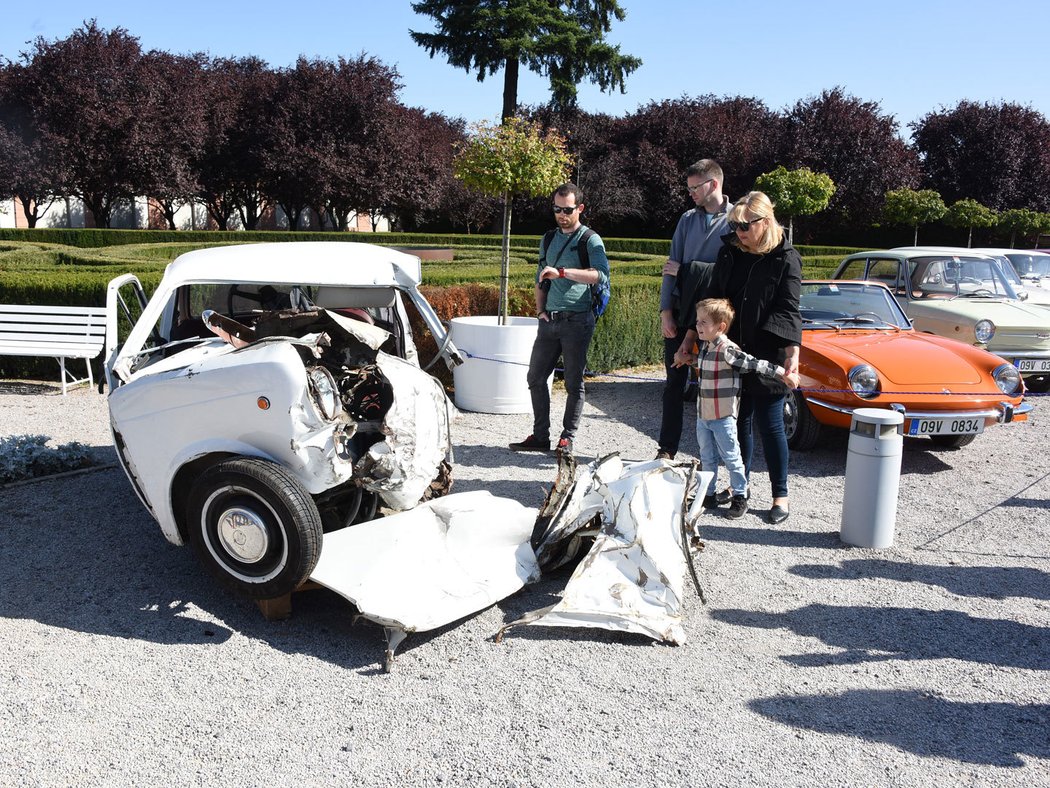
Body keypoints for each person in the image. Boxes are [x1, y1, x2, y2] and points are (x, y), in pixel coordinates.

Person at [705, 191, 802, 524]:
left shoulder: (786, 257)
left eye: (746, 225)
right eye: (735, 225)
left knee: (771, 425)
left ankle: (780, 496)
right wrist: (699, 336)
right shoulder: (729, 251)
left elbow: (789, 311)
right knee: (738, 423)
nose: (740, 232)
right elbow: (715, 297)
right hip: (732, 349)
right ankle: (739, 489)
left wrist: (793, 357)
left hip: (767, 349)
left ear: (765, 221)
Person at [510, 183, 610, 455]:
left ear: (580, 208)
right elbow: (541, 278)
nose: (561, 215)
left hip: (578, 320)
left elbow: (599, 274)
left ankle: (568, 438)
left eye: (567, 210)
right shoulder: (548, 238)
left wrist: (563, 273)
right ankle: (541, 436)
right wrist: (540, 311)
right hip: (549, 321)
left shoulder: (590, 239)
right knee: (535, 376)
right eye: (557, 209)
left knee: (573, 383)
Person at [677, 298, 797, 518]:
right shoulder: (705, 347)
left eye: (704, 322)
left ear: (720, 326)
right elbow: (705, 366)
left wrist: (781, 373)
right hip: (703, 415)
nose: (698, 326)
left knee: (732, 457)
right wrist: (690, 360)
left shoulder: (728, 349)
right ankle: (708, 493)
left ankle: (740, 496)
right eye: (697, 321)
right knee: (707, 456)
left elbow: (755, 363)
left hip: (723, 416)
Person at [656, 159, 732, 460]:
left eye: (695, 188)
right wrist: (665, 312)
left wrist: (688, 269)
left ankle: (713, 457)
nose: (691, 194)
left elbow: (728, 274)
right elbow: (669, 268)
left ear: (713, 184)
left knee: (714, 388)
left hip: (717, 321)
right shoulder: (687, 219)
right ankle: (667, 449)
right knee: (673, 385)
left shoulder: (736, 219)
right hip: (680, 312)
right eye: (689, 189)